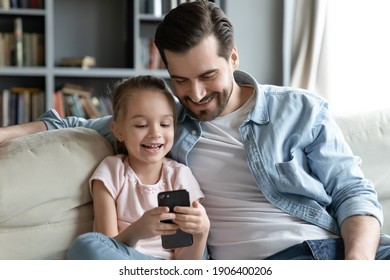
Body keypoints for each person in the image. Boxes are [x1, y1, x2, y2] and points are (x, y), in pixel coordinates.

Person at [1, 0, 390, 259]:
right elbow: (74, 124)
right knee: (91, 250)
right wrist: (9, 133)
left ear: (233, 57)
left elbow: (353, 192)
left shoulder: (299, 109)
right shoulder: (169, 123)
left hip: (324, 251)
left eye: (208, 75)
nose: (197, 94)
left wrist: (354, 265)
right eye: (180, 80)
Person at [67, 75, 209, 260]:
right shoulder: (111, 172)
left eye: (165, 124)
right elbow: (106, 245)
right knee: (85, 245)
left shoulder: (179, 176)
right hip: (126, 260)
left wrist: (201, 233)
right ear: (118, 130)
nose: (155, 133)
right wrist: (138, 230)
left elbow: (186, 265)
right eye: (141, 125)